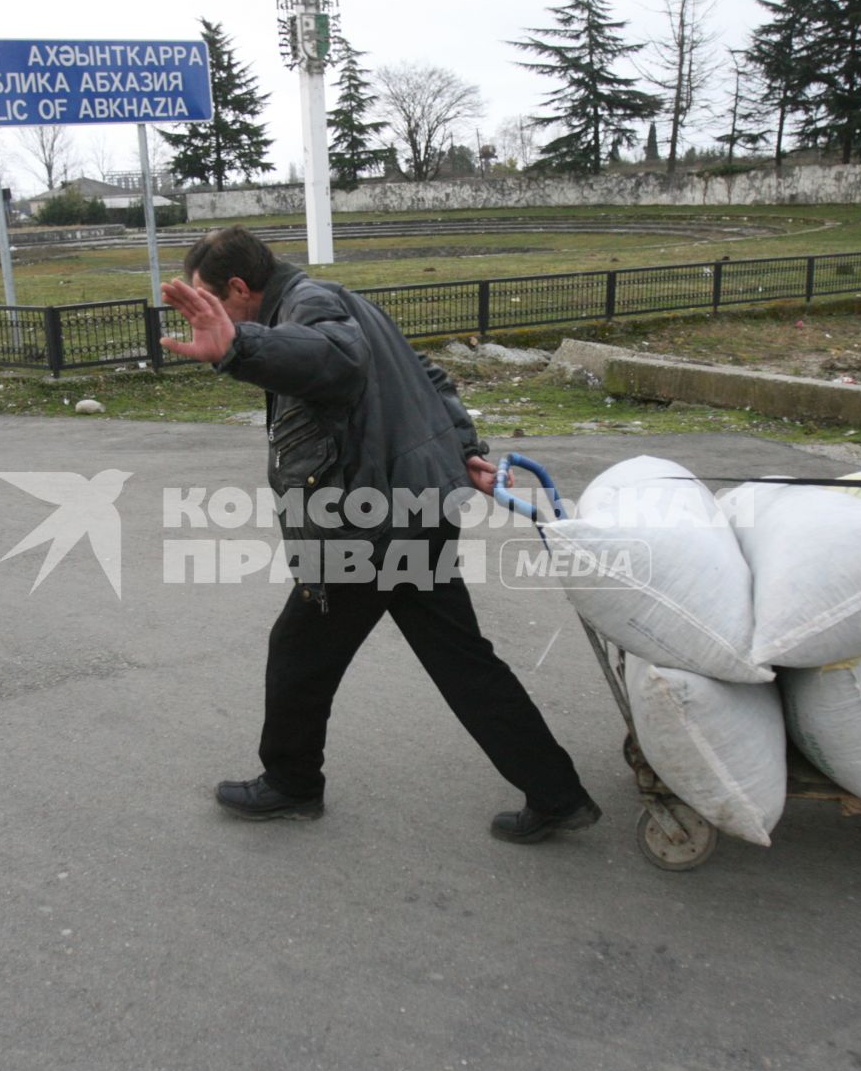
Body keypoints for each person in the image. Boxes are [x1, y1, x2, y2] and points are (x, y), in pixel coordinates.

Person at [158, 227, 600, 844]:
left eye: (212, 303)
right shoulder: (334, 298)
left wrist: (239, 345)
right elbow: (430, 377)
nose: (209, 316)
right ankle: (556, 793)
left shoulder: (312, 311)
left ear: (240, 288)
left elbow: (334, 361)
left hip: (374, 526)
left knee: (299, 652)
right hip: (415, 508)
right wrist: (464, 449)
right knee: (460, 658)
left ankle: (290, 785)